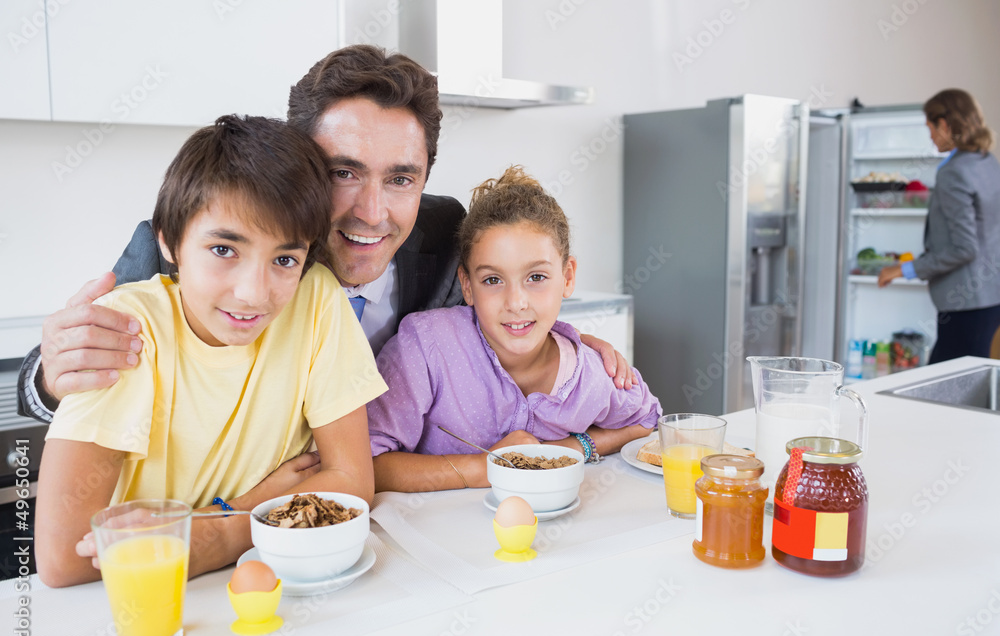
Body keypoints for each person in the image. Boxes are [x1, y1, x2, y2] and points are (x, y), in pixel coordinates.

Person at [17, 44, 635, 424]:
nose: (372, 211)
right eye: (343, 172)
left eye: (400, 178)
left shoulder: (449, 233)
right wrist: (51, 373)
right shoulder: (208, 247)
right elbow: (49, 384)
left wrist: (567, 339)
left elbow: (504, 308)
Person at [35, 115, 388, 587]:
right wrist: (244, 513)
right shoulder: (127, 330)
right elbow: (64, 558)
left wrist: (219, 535)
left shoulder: (316, 297)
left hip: (266, 585)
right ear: (169, 241)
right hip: (143, 604)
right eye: (224, 250)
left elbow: (351, 481)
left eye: (285, 260)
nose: (252, 293)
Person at [368, 166, 662, 492]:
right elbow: (367, 463)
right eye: (492, 280)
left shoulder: (590, 374)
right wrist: (489, 468)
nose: (516, 302)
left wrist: (568, 450)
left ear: (567, 277)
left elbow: (646, 421)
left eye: (536, 277)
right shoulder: (425, 348)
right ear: (467, 285)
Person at [878, 88, 1000, 362]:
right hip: (990, 298)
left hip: (966, 303)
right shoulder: (987, 162)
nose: (931, 135)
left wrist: (903, 269)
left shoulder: (953, 172)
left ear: (944, 124)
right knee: (967, 383)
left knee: (943, 390)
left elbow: (964, 248)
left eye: (930, 127)